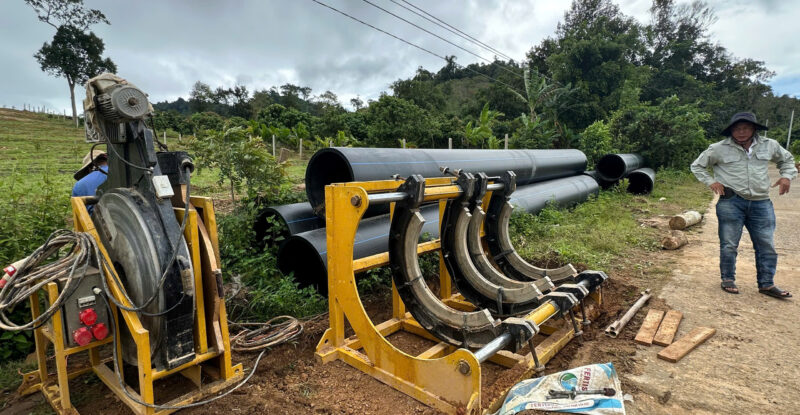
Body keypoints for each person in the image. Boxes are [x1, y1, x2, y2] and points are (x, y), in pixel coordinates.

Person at [690, 111, 797, 299]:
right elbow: (697, 166)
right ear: (731, 130)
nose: (741, 132)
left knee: (766, 244)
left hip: (761, 202)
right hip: (731, 202)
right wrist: (711, 182)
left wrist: (787, 176)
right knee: (729, 244)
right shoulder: (718, 148)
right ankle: (728, 279)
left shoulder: (769, 145)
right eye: (737, 129)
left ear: (754, 129)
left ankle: (767, 284)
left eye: (745, 128)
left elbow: (787, 160)